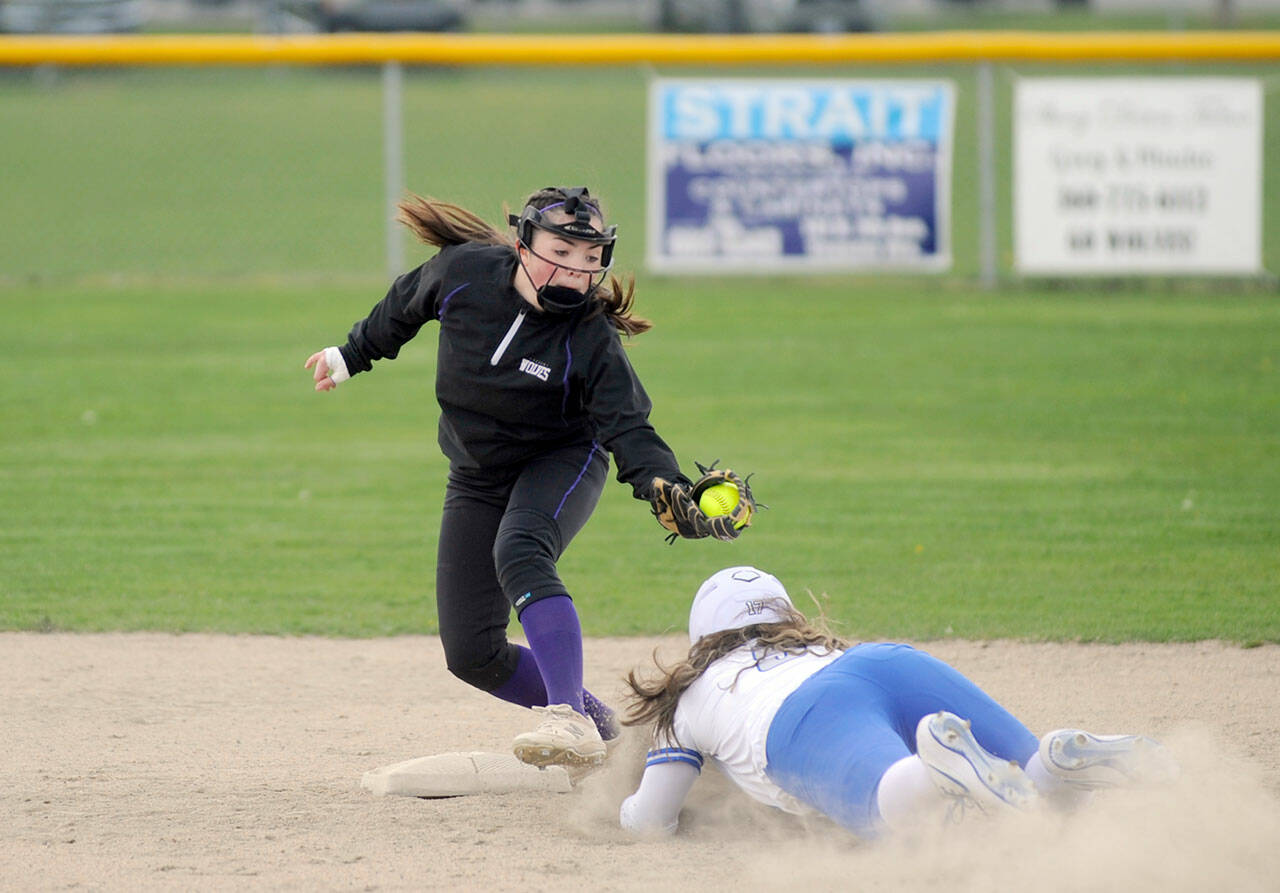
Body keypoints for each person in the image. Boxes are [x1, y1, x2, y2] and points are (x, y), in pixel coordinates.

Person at [304, 186, 747, 771]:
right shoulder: (463, 273)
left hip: (561, 459)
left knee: (521, 549)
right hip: (477, 472)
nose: (577, 268)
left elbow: (629, 428)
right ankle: (613, 737)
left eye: (591, 258)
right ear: (522, 245)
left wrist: (664, 484)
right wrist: (349, 354)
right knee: (471, 653)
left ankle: (566, 716)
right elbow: (403, 308)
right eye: (562, 249)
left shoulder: (589, 336)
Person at [619, 566, 1177, 837]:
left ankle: (935, 771)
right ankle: (1056, 759)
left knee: (891, 817)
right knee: (1032, 791)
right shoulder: (815, 645)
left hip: (797, 715)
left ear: (701, 634)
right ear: (783, 614)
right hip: (880, 661)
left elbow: (650, 821)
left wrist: (626, 810)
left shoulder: (691, 698)